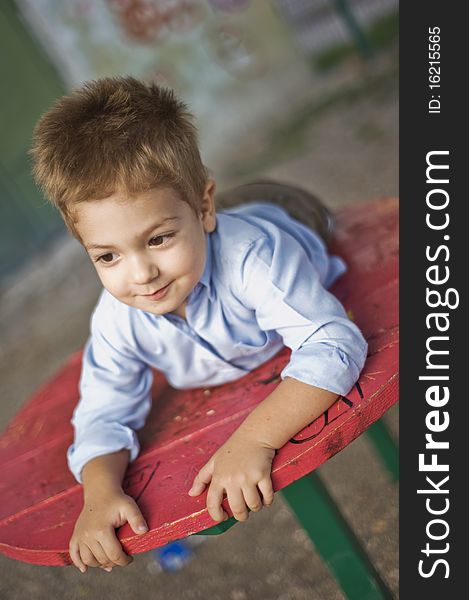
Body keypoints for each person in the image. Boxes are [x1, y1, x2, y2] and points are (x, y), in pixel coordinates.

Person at [31, 77, 367, 574]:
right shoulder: (116, 317)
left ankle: (227, 212)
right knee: (178, 226)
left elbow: (334, 343)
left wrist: (253, 441)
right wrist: (100, 494)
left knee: (281, 221)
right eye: (107, 254)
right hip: (208, 226)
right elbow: (101, 414)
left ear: (206, 205)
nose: (141, 274)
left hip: (288, 216)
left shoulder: (256, 257)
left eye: (158, 239)